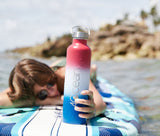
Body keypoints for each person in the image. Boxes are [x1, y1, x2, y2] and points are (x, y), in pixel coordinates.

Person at [0, 58, 106, 119]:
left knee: (89, 70)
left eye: (50, 84)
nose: (51, 93)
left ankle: (93, 67)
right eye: (42, 94)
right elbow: (6, 97)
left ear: (51, 77)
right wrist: (53, 100)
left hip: (67, 67)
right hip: (49, 70)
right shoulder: (31, 82)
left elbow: (100, 104)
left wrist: (92, 110)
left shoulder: (70, 75)